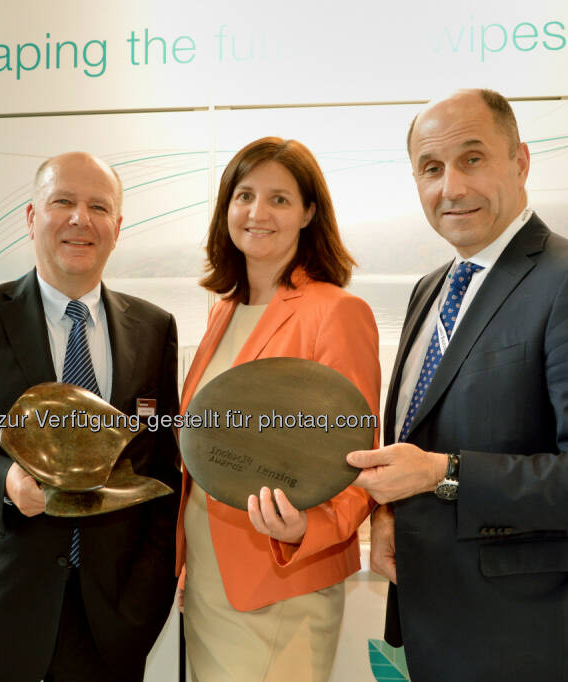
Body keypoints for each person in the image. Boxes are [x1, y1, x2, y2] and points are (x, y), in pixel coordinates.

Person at [346, 89, 568, 681]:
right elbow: (421, 437)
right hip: (428, 632)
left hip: (528, 645)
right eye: (430, 169)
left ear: (521, 161)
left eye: (472, 159)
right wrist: (389, 515)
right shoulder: (429, 289)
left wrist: (445, 472)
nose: (451, 188)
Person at [0, 152, 181, 682]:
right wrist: (3, 481)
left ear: (117, 228)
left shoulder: (153, 328)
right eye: (63, 202)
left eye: (98, 206)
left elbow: (162, 471)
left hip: (110, 628)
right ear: (31, 218)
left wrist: (147, 595)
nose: (80, 219)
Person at [175, 137, 379, 681]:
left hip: (281, 587)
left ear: (309, 213)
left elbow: (360, 464)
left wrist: (302, 531)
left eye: (280, 199)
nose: (257, 213)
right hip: (208, 583)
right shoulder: (223, 313)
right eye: (244, 195)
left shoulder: (337, 312)